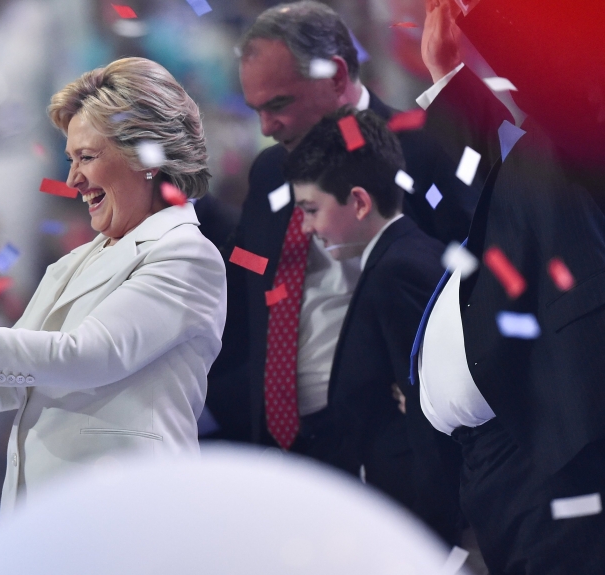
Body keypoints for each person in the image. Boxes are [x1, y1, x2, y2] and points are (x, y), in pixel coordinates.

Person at [0, 57, 225, 517]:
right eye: (70, 160)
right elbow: (4, 388)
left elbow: (85, 356)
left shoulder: (186, 254)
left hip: (131, 516)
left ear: (146, 158)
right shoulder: (73, 263)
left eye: (87, 157)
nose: (72, 180)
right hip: (52, 518)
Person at [200, 0, 467, 543]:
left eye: (279, 104)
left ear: (338, 76)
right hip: (281, 447)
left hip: (389, 450)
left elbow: (466, 277)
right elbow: (250, 273)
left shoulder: (422, 149)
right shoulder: (271, 169)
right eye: (255, 109)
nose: (267, 126)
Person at [411, 1, 605, 572]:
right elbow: (479, 174)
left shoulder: (580, 128)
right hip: (501, 460)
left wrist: (483, 11)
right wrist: (445, 73)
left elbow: (561, 86)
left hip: (561, 446)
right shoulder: (535, 153)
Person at [283, 107, 452, 529]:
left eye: (311, 209)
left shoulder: (398, 269)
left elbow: (428, 422)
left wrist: (437, 535)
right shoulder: (402, 255)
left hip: (418, 517)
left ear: (358, 201)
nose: (305, 228)